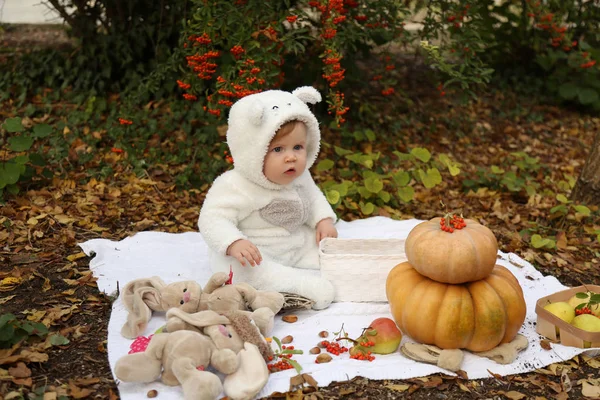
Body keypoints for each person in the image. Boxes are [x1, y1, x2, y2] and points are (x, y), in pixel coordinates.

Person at [198, 86, 337, 309]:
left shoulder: (300, 177)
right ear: (253, 151)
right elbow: (212, 218)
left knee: (331, 252)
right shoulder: (235, 185)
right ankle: (299, 285)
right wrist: (234, 242)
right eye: (278, 149)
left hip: (294, 243)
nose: (291, 157)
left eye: (298, 147)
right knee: (241, 269)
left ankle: (344, 272)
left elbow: (313, 197)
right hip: (255, 252)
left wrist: (323, 220)